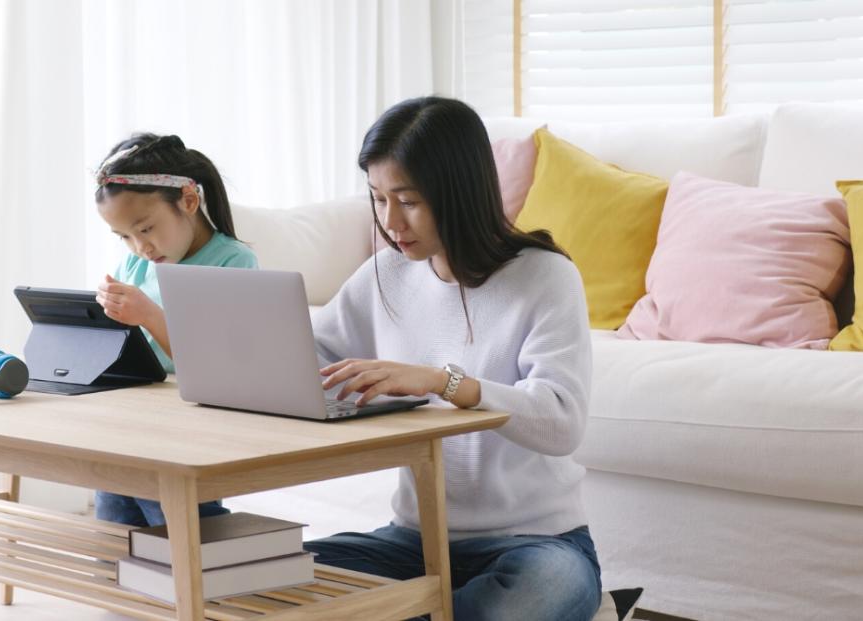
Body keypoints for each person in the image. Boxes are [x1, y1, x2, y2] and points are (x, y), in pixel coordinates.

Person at [305, 96, 602, 621]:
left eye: (409, 199)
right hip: (411, 543)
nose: (391, 220)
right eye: (378, 198)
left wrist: (446, 383)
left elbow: (562, 423)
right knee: (281, 579)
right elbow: (309, 358)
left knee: (538, 593)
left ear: (460, 191)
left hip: (536, 545)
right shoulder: (384, 276)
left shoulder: (545, 277)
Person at [92, 133, 257, 527]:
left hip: (190, 431)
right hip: (135, 422)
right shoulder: (139, 264)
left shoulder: (233, 263)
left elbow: (218, 368)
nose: (140, 248)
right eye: (125, 237)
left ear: (188, 200)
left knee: (184, 531)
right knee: (115, 531)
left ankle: (209, 582)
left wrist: (148, 314)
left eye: (146, 229)